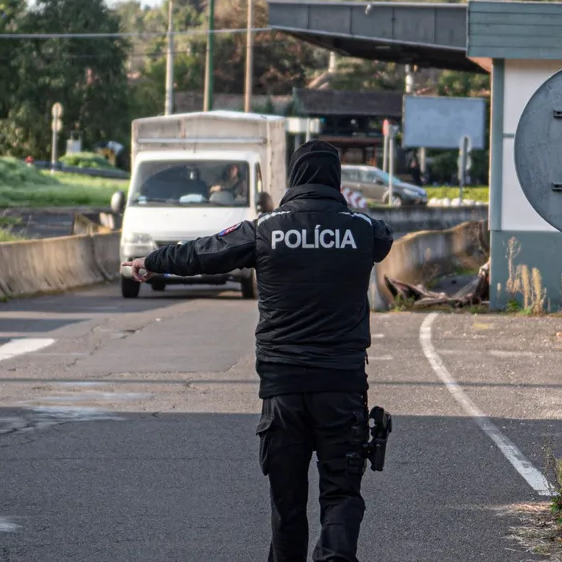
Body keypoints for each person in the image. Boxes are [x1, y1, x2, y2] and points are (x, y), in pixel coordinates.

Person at [123, 140, 393, 562]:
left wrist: (154, 261)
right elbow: (383, 238)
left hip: (282, 390)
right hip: (341, 387)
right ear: (336, 178)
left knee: (287, 507)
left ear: (295, 176)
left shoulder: (266, 228)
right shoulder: (363, 230)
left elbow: (205, 252)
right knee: (341, 493)